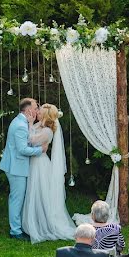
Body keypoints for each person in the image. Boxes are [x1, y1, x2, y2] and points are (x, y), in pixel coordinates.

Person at [21, 103, 76, 243]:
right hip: (35, 161)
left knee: (39, 191)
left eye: (40, 112)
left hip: (40, 164)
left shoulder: (47, 131)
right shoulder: (40, 126)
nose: (37, 112)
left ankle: (41, 223)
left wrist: (30, 124)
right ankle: (33, 221)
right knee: (34, 191)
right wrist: (32, 124)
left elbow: (30, 141)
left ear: (45, 116)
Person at [0, 97, 47, 241]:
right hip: (16, 167)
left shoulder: (22, 122)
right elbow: (22, 149)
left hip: (16, 165)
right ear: (28, 110)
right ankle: (15, 231)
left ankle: (18, 227)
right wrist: (40, 150)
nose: (37, 110)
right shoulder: (20, 125)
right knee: (16, 199)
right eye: (35, 107)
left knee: (17, 198)